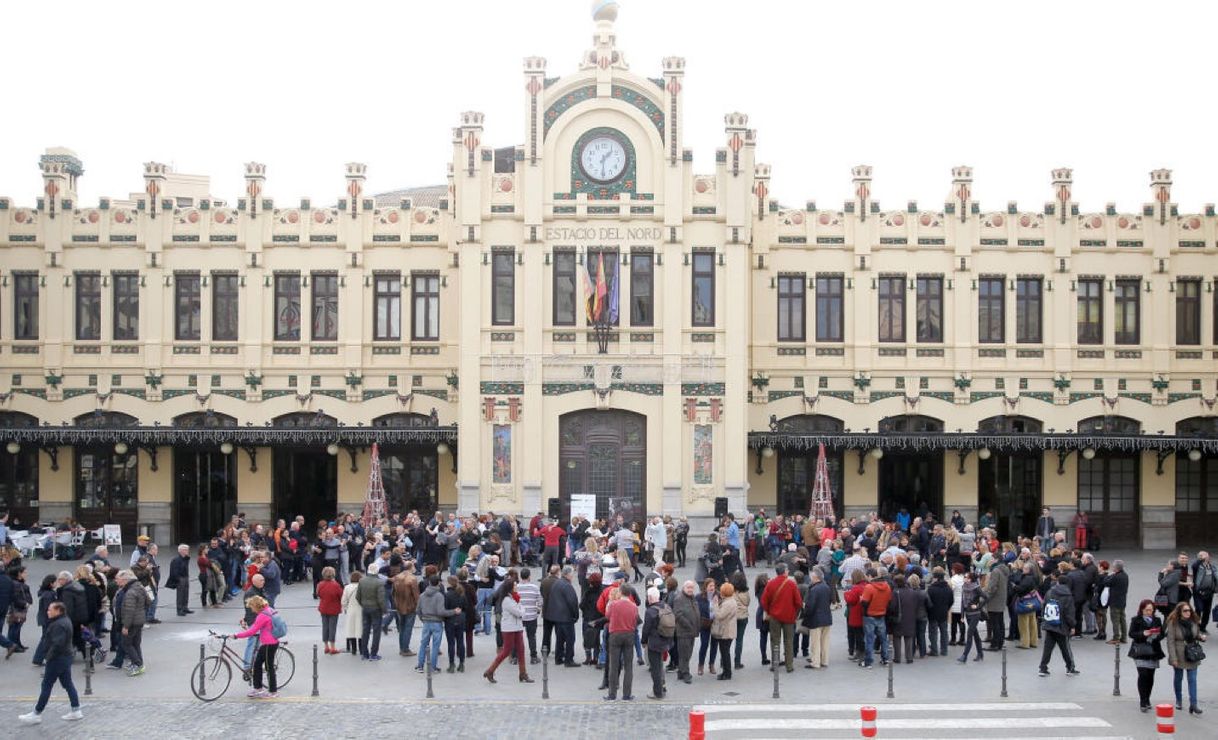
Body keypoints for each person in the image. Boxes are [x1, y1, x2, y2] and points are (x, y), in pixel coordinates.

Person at [18, 601, 83, 724]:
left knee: (47, 685)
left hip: (58, 659)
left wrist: (49, 656)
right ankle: (76, 709)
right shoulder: (63, 621)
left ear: (58, 611)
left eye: (50, 610)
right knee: (68, 684)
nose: (47, 611)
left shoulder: (59, 624)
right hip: (64, 657)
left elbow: (57, 644)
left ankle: (37, 713)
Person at [483, 577, 532, 683]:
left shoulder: (514, 598)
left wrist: (520, 607)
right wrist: (522, 608)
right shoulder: (507, 600)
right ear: (510, 587)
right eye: (515, 585)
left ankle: (523, 673)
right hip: (509, 629)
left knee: (521, 649)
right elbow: (520, 613)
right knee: (506, 651)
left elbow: (519, 611)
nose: (516, 587)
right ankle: (490, 670)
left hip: (517, 627)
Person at [230, 595, 280, 699]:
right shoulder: (269, 610)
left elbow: (252, 631)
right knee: (257, 665)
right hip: (270, 642)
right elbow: (256, 627)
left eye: (252, 607)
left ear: (256, 606)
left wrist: (236, 636)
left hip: (269, 644)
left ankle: (273, 691)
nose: (252, 610)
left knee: (269, 667)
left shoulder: (262, 616)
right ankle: (258, 688)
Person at [1037, 563, 1079, 678]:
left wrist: (1043, 620)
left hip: (1050, 624)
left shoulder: (1049, 592)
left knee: (1047, 648)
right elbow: (1069, 613)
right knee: (1065, 648)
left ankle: (1043, 668)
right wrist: (1073, 626)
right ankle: (1070, 668)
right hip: (1062, 626)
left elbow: (1043, 606)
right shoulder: (1068, 595)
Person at [1164, 601, 1206, 715]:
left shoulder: (1194, 621)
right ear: (1180, 612)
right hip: (1179, 654)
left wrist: (1201, 637)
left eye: (1189, 610)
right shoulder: (1173, 623)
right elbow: (1170, 642)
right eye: (1185, 611)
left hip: (1192, 654)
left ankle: (1194, 704)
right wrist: (1173, 658)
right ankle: (1179, 700)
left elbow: (1196, 634)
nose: (1188, 612)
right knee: (1178, 678)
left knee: (1192, 680)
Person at [760, 563, 802, 673]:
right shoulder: (791, 584)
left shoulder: (770, 584)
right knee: (788, 641)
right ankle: (789, 665)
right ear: (784, 571)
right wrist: (794, 613)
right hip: (789, 616)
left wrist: (769, 611)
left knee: (775, 641)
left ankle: (775, 664)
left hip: (774, 617)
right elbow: (798, 602)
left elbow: (764, 601)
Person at [603, 584, 639, 700]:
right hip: (629, 634)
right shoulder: (633, 606)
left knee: (614, 665)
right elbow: (636, 620)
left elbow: (607, 616)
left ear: (621, 592)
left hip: (615, 634)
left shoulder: (613, 604)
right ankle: (627, 694)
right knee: (628, 666)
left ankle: (612, 693)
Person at [1130, 598, 1166, 711]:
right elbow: (1131, 633)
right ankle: (1142, 700)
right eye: (1146, 610)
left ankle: (1147, 699)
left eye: (1151, 610)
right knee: (1143, 674)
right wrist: (1143, 633)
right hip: (1140, 650)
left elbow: (1162, 634)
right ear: (1142, 610)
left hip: (1153, 650)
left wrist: (1155, 635)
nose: (1149, 612)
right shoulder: (1136, 620)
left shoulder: (1157, 620)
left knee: (1150, 676)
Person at [417, 574, 458, 674]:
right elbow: (441, 611)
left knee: (423, 644)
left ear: (429, 582)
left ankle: (420, 666)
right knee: (435, 646)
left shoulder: (422, 595)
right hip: (436, 623)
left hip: (426, 622)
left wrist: (422, 619)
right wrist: (453, 611)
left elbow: (418, 610)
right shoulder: (439, 596)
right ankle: (433, 667)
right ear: (439, 583)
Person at [115, 570, 149, 676]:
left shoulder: (130, 592)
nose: (116, 581)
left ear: (125, 580)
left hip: (132, 622)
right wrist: (142, 612)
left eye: (118, 579)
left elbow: (129, 611)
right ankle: (138, 662)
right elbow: (148, 601)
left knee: (126, 643)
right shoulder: (139, 587)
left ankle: (138, 665)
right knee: (136, 643)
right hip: (139, 620)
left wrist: (126, 626)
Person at [641, 586, 673, 698]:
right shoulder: (666, 606)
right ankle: (663, 687)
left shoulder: (650, 611)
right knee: (660, 665)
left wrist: (643, 641)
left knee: (655, 668)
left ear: (650, 598)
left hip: (654, 643)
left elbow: (646, 629)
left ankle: (657, 692)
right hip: (666, 640)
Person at [545, 566, 580, 667]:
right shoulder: (567, 586)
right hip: (566, 617)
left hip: (557, 616)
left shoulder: (557, 583)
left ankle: (558, 658)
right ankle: (569, 660)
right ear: (568, 574)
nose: (573, 575)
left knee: (560, 638)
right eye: (572, 573)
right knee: (570, 639)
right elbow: (572, 602)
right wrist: (575, 615)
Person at [859, 568, 892, 669]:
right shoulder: (887, 586)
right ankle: (885, 659)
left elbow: (864, 602)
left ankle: (868, 661)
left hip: (870, 615)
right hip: (881, 613)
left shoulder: (869, 587)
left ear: (870, 576)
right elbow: (889, 600)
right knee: (883, 638)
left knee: (869, 639)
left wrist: (861, 600)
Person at [801, 569, 833, 669]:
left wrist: (805, 613)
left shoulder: (814, 590)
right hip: (827, 617)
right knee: (825, 641)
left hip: (816, 619)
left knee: (815, 642)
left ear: (815, 578)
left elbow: (810, 606)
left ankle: (815, 662)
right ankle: (824, 660)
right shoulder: (826, 587)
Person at [671, 580, 699, 684]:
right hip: (684, 631)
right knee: (685, 654)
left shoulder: (692, 598)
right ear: (684, 588)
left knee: (688, 652)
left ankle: (681, 672)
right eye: (688, 587)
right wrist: (688, 625)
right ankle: (685, 673)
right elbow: (678, 615)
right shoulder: (679, 599)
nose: (690, 589)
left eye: (692, 587)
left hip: (691, 631)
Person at [390, 560, 420, 657]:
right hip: (410, 606)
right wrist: (418, 607)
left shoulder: (397, 577)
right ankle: (405, 648)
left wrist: (395, 603)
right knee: (408, 628)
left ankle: (401, 648)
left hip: (399, 605)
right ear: (411, 567)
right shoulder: (412, 579)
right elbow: (416, 596)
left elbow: (393, 592)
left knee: (402, 627)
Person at [957, 572, 985, 662]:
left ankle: (964, 656)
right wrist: (962, 615)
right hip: (968, 614)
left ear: (970, 579)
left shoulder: (976, 588)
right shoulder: (964, 586)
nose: (964, 578)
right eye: (964, 577)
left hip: (975, 614)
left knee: (969, 634)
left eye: (966, 577)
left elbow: (986, 597)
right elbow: (962, 601)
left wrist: (978, 606)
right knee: (975, 634)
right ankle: (980, 653)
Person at [317, 567, 343, 655]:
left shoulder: (320, 584)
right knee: (332, 627)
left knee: (325, 626)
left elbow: (318, 594)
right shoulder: (336, 585)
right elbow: (341, 595)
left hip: (323, 608)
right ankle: (332, 647)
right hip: (334, 609)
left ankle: (326, 646)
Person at [1191, 551, 1215, 634]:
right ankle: (1196, 626)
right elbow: (1193, 565)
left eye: (1207, 556)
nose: (1206, 558)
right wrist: (1201, 559)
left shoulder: (1212, 567)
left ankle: (1203, 627)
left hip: (1209, 592)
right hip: (1198, 592)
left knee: (1207, 611)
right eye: (1203, 556)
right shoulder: (1197, 566)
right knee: (1199, 608)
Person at [166, 544, 193, 617]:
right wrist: (178, 579)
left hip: (185, 577)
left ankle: (185, 607)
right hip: (180, 578)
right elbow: (173, 571)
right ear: (181, 551)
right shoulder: (176, 560)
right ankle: (180, 609)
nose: (188, 551)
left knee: (186, 593)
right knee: (180, 595)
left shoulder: (186, 559)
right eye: (186, 550)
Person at [341, 571, 364, 655]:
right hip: (361, 610)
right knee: (360, 629)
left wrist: (345, 608)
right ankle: (361, 649)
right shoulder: (362, 587)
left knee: (352, 630)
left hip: (351, 610)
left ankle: (353, 649)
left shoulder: (347, 587)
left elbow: (343, 601)